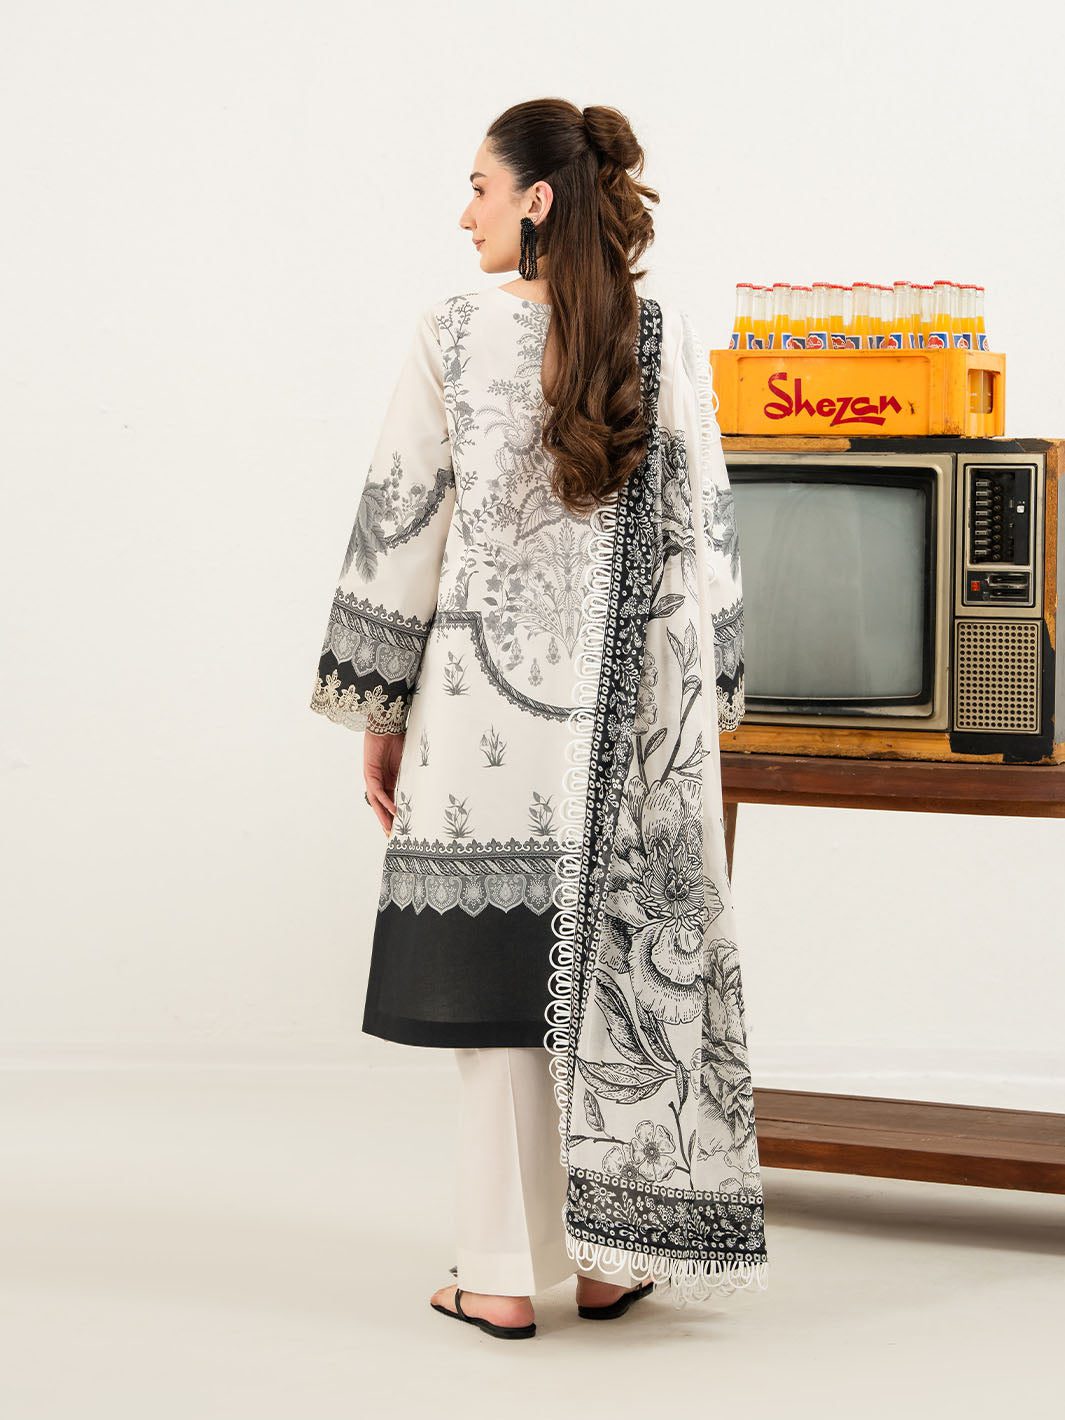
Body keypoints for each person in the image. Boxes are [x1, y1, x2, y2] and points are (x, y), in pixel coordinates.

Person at [309, 98, 767, 1340]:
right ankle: (612, 1260)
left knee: (500, 1002)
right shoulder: (661, 334)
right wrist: (715, 704)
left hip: (482, 723)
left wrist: (377, 705)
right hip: (631, 739)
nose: (465, 214)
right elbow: (710, 534)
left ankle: (501, 1274)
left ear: (537, 199)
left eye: (478, 188)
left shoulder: (454, 333)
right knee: (621, 985)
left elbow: (402, 520)